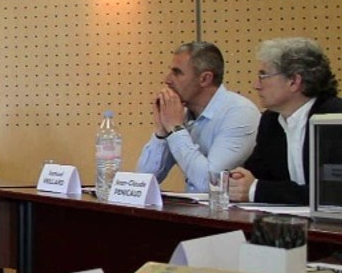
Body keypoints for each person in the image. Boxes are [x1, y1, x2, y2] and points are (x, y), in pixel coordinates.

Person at [135, 41, 259, 192]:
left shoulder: (239, 112)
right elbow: (143, 179)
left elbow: (210, 183)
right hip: (193, 206)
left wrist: (175, 129)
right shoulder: (180, 114)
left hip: (227, 207)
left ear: (205, 79)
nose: (167, 80)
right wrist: (161, 131)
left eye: (177, 72)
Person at [230, 38, 342, 204]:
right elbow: (257, 175)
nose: (256, 85)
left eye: (263, 76)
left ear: (294, 81)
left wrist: (256, 190)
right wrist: (239, 182)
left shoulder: (334, 121)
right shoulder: (271, 121)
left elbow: (332, 193)